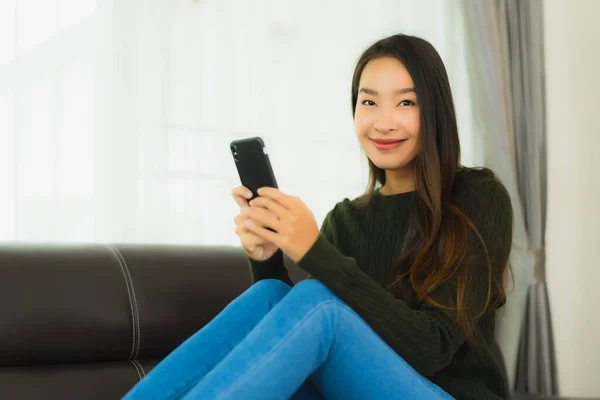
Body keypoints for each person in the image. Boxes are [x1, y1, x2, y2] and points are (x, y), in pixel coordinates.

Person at [123, 33, 513, 400]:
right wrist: (268, 258)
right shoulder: (346, 220)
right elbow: (299, 345)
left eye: (406, 103)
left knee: (318, 302)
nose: (383, 122)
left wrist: (315, 251)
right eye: (369, 101)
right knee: (271, 293)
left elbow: (431, 350)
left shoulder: (477, 198)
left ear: (435, 112)